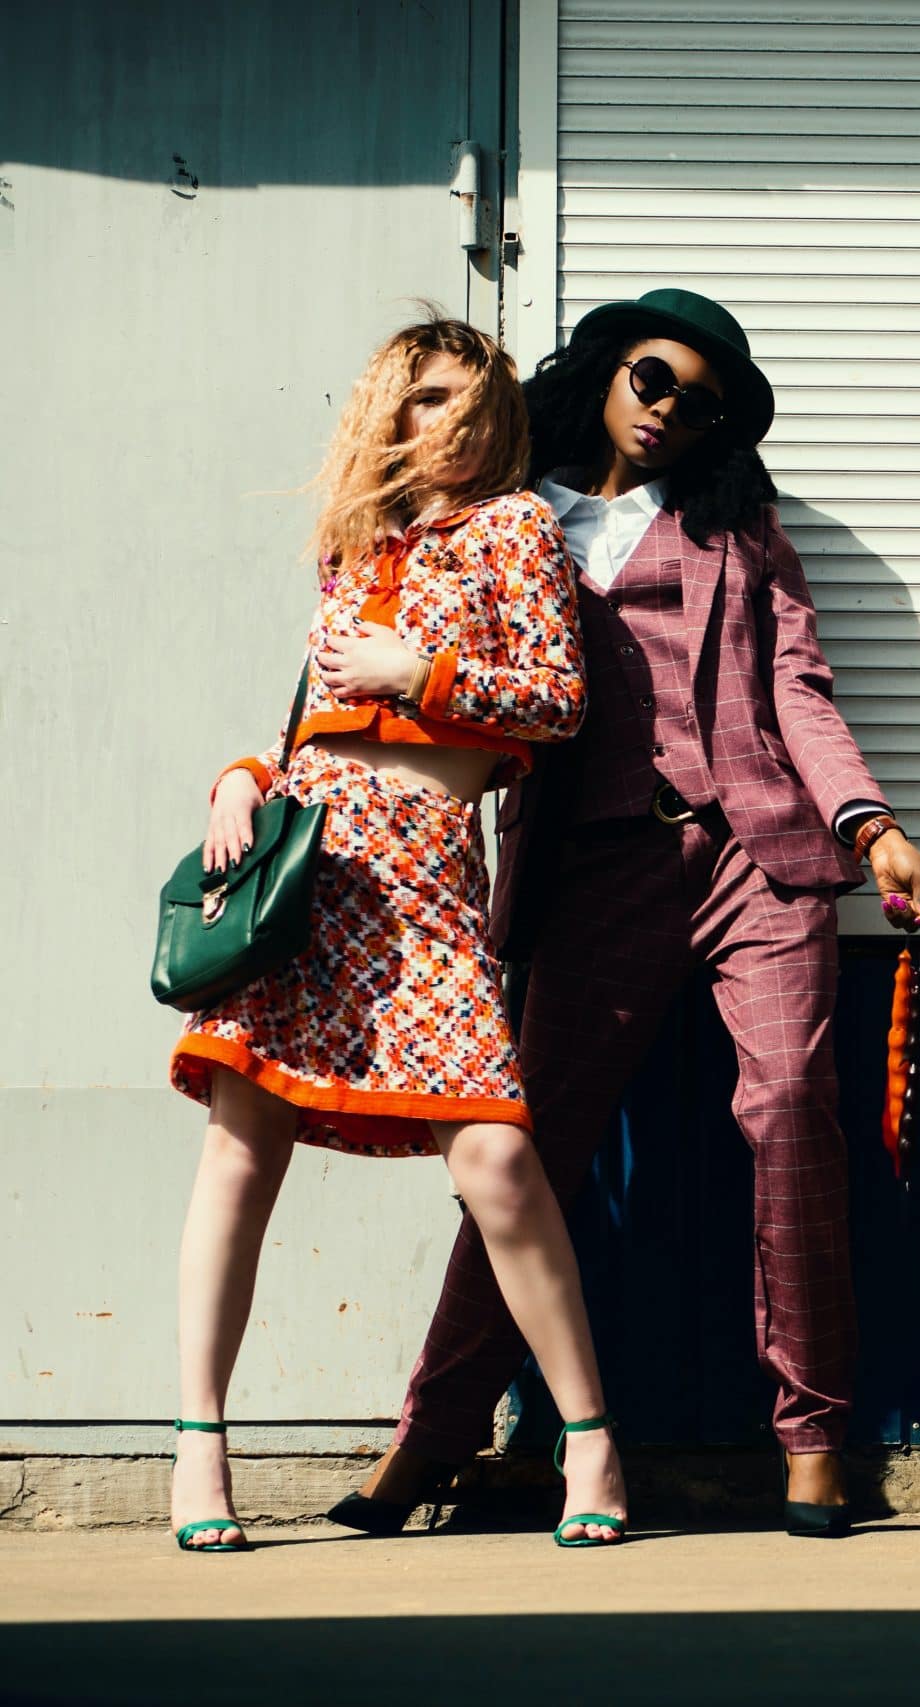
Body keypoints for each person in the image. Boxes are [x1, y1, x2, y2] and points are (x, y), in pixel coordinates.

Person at [339, 288, 920, 1540]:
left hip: (754, 856)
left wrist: (870, 824)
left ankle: (816, 1440)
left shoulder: (738, 526)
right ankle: (433, 1439)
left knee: (788, 1115)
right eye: (654, 379)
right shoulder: (508, 518)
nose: (672, 410)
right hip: (590, 868)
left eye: (702, 403)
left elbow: (800, 691)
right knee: (524, 1154)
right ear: (609, 373)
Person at [170, 316, 627, 1550]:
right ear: (385, 412)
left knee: (494, 1161)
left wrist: (417, 671)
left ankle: (590, 1446)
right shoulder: (351, 542)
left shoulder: (517, 526)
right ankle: (200, 1451)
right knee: (239, 1151)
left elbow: (557, 699)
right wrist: (237, 778)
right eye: (424, 399)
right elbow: (306, 713)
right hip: (311, 865)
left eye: (470, 402)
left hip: (422, 879)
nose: (450, 423)